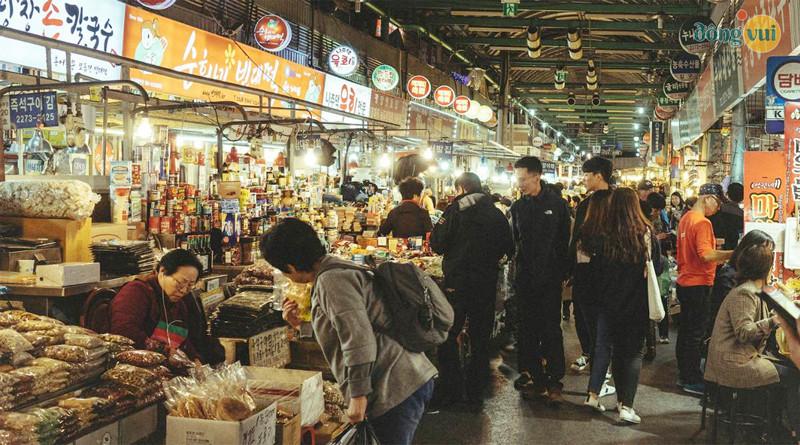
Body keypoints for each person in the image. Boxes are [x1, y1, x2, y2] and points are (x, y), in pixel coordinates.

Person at [263, 219, 437, 445]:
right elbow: (342, 331)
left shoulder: (331, 280)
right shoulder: (333, 269)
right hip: (402, 379)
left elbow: (358, 339)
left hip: (395, 386)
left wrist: (358, 395)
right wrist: (300, 325)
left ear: (291, 266)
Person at [430, 172, 514, 406]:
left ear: (462, 188)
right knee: (480, 337)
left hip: (457, 282)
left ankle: (452, 389)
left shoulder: (455, 210)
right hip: (485, 283)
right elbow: (509, 248)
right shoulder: (497, 214)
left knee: (448, 334)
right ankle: (476, 393)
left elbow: (436, 244)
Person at [705, 240, 800, 441]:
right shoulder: (745, 293)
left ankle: (776, 426)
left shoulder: (750, 289)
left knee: (790, 369)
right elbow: (744, 333)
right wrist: (774, 320)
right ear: (766, 267)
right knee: (793, 376)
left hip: (740, 356)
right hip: (733, 363)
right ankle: (787, 431)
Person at [583, 188, 663, 424]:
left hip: (607, 303)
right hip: (636, 304)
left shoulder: (602, 234)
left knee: (610, 349)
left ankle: (605, 397)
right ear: (635, 206)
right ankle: (626, 406)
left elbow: (593, 271)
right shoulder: (645, 233)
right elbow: (655, 268)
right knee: (631, 354)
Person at [510, 156, 572, 405]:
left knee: (550, 329)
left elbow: (565, 241)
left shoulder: (557, 205)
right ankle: (534, 376)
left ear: (536, 176)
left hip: (549, 279)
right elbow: (516, 241)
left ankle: (554, 379)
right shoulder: (517, 207)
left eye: (523, 179)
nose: (520, 184)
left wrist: (564, 273)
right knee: (526, 329)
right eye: (518, 179)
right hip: (525, 279)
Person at [110, 249, 223, 364]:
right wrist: (164, 350)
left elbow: (181, 339)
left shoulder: (179, 303)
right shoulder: (136, 291)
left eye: (190, 285)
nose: (183, 290)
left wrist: (194, 358)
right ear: (162, 271)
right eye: (180, 283)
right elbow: (123, 331)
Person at [675, 183, 733, 395]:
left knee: (686, 332)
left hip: (685, 281)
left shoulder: (686, 219)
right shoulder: (702, 223)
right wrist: (733, 254)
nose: (717, 209)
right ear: (708, 198)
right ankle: (691, 379)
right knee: (695, 334)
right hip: (698, 283)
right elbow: (706, 255)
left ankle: (684, 374)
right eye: (717, 204)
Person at [567, 156, 613, 375]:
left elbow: (578, 237)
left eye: (586, 175)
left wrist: (569, 267)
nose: (583, 179)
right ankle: (597, 362)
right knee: (595, 319)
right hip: (606, 272)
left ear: (598, 175)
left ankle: (598, 364)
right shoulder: (618, 200)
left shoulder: (591, 203)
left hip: (590, 271)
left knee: (589, 318)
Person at [709, 230, 776, 337]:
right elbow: (743, 328)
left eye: (770, 252)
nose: (767, 256)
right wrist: (773, 320)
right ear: (748, 251)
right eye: (763, 250)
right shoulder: (730, 276)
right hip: (730, 345)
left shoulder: (751, 280)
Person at [709, 182, 745, 250]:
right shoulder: (742, 214)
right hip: (732, 247)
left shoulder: (717, 209)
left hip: (715, 245)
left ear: (727, 194)